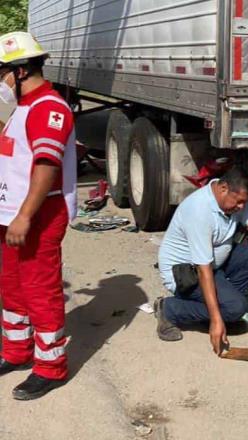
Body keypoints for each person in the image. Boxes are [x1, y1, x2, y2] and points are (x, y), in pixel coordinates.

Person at [0, 32, 78, 400]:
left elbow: (46, 166)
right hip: (12, 215)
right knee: (11, 286)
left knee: (40, 290)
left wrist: (24, 217)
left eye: (0, 74)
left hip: (38, 214)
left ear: (18, 71)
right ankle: (16, 351)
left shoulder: (49, 108)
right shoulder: (21, 106)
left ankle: (50, 367)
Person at [155, 166, 248, 355]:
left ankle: (224, 311)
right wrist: (217, 320)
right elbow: (203, 270)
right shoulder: (200, 211)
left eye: (244, 203)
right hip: (186, 273)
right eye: (239, 202)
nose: (242, 207)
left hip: (214, 265)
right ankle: (170, 309)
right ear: (223, 188)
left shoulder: (234, 198)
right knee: (236, 308)